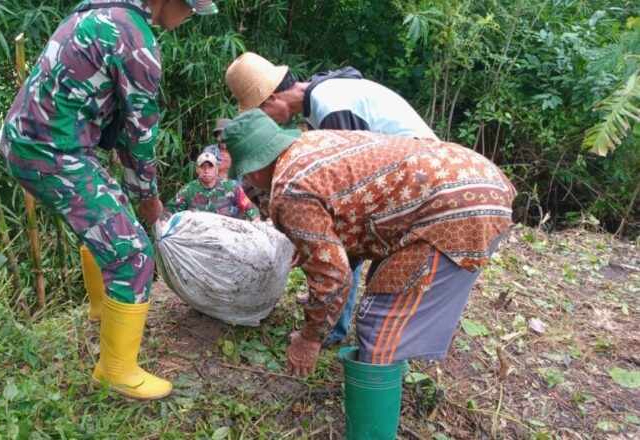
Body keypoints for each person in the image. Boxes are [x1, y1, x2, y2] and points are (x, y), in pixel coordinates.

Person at [222, 109, 515, 436]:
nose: (247, 181)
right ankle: (386, 388)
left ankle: (372, 431)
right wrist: (310, 246)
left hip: (455, 210)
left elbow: (333, 276)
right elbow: (349, 210)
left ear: (257, 166)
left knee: (379, 325)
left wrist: (310, 338)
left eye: (246, 173)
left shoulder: (289, 188)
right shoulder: (307, 145)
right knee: (384, 301)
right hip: (470, 179)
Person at [0, 0, 218, 401]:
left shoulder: (102, 10)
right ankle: (115, 372)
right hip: (51, 151)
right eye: (190, 8)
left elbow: (113, 115)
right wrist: (149, 199)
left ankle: (105, 312)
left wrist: (133, 192)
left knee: (111, 221)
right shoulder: (136, 41)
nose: (189, 16)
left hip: (35, 140)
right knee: (133, 252)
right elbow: (141, 134)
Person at [225, 52, 438, 344]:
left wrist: (325, 260)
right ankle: (337, 309)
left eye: (261, 114)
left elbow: (347, 202)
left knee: (347, 247)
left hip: (419, 180)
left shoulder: (330, 107)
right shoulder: (322, 95)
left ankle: (333, 327)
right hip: (408, 176)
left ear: (272, 99)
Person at [162, 152, 260, 222]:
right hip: (197, 239)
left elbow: (250, 208)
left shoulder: (230, 188)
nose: (206, 171)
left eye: (210, 166)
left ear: (217, 169)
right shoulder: (188, 190)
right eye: (202, 167)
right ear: (197, 169)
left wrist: (256, 221)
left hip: (224, 238)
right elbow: (169, 211)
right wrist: (164, 224)